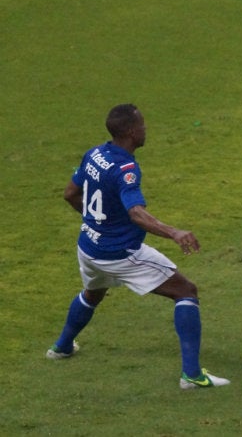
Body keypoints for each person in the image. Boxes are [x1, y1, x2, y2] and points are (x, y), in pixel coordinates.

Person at [46, 104, 229, 390]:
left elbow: (70, 193)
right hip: (119, 253)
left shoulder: (94, 153)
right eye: (143, 125)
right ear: (132, 132)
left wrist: (95, 221)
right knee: (186, 291)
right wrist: (174, 232)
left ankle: (61, 347)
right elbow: (136, 213)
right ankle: (191, 375)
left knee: (93, 292)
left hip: (88, 247)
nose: (146, 129)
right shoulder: (126, 169)